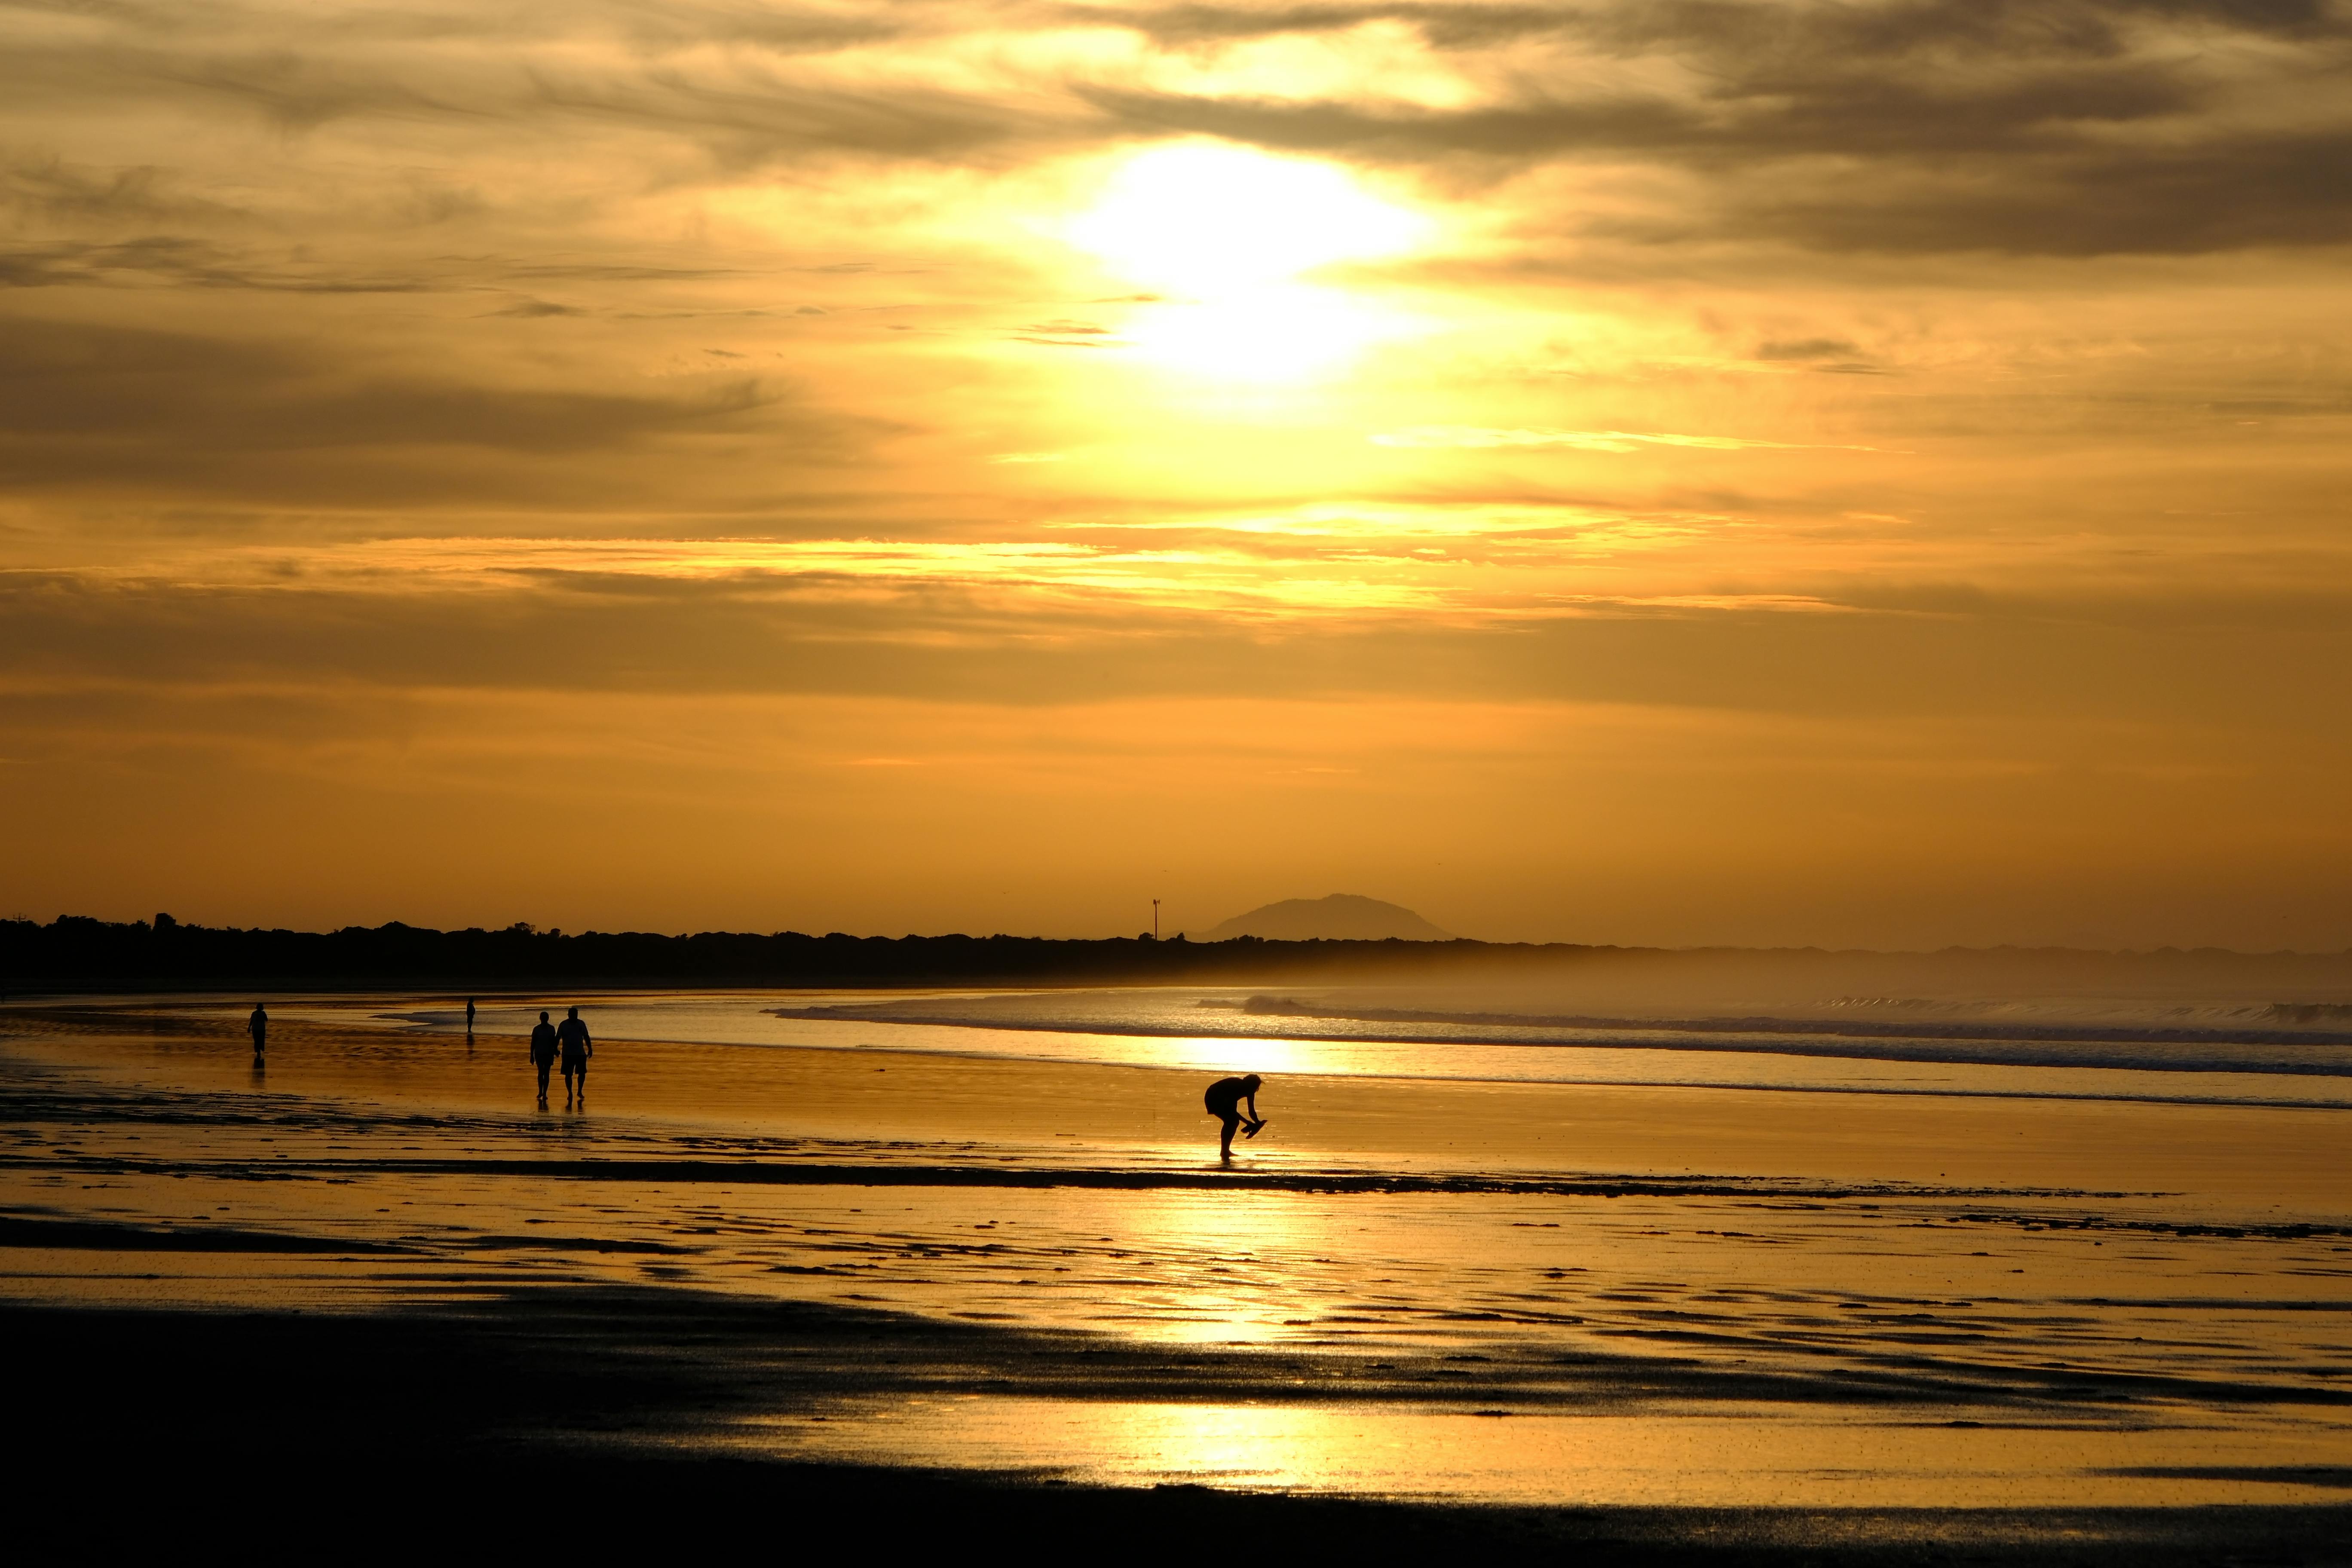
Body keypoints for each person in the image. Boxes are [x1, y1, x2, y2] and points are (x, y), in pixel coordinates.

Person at [1203, 1073, 1266, 1162]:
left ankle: (1225, 1150)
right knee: (1232, 1121)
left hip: (1225, 1099)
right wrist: (1249, 1123)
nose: (1255, 1090)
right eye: (1254, 1088)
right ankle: (1224, 1151)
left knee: (1232, 1121)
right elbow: (1231, 1110)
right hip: (1213, 1096)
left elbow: (1251, 1111)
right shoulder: (1235, 1086)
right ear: (1247, 1084)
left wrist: (1257, 1123)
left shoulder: (1250, 1091)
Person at [555, 1005, 593, 1107]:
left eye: (575, 1015)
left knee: (582, 1073)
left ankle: (580, 1091)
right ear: (569, 1015)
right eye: (572, 1015)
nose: (574, 1016)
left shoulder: (581, 1024)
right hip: (567, 1053)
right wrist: (555, 1049)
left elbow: (586, 1036)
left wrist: (590, 1049)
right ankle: (570, 1092)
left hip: (580, 1053)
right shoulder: (563, 1025)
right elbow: (558, 1037)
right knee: (568, 1074)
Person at [528, 1010, 558, 1107]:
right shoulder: (537, 1029)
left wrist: (556, 1051)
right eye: (543, 1018)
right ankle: (541, 1091)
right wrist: (531, 1055)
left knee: (547, 1073)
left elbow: (554, 1042)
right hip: (539, 1053)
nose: (544, 1019)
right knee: (541, 1072)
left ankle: (545, 1093)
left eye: (545, 1018)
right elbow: (533, 1043)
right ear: (541, 1019)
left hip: (549, 1053)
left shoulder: (551, 1029)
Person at [248, 1003, 268, 1068]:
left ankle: (258, 1051)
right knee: (260, 1040)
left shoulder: (255, 1013)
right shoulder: (262, 1013)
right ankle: (259, 1051)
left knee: (257, 1041)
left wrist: (249, 1028)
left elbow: (252, 1021)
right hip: (260, 1029)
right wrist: (249, 1028)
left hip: (257, 1029)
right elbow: (266, 1020)